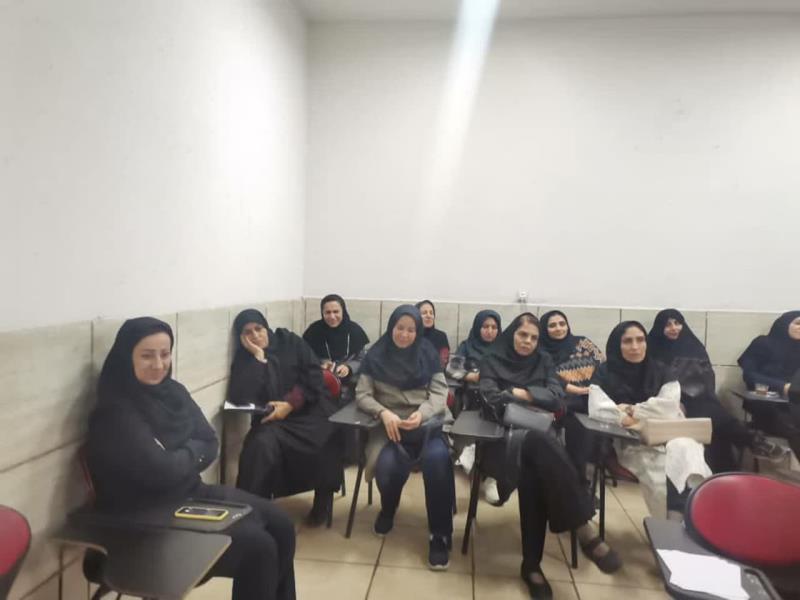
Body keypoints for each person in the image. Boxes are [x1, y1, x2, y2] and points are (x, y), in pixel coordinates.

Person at [86, 317, 296, 600]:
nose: (159, 364)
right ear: (126, 358)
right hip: (141, 516)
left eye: (165, 354)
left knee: (281, 524)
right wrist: (189, 452)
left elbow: (210, 442)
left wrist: (178, 456)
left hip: (187, 492)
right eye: (147, 355)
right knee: (259, 547)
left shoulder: (173, 392)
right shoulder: (115, 411)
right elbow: (162, 470)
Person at [479, 313, 621, 598]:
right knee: (540, 447)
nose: (528, 342)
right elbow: (491, 400)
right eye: (523, 335)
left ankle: (531, 566)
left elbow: (557, 399)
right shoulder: (491, 360)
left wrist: (521, 394)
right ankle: (582, 527)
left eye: (533, 337)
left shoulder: (544, 361)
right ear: (511, 335)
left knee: (535, 468)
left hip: (540, 443)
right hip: (501, 441)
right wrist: (535, 397)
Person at [355, 305, 454, 570]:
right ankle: (388, 508)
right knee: (386, 468)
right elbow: (363, 394)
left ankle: (440, 535)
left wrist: (422, 414)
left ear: (418, 331)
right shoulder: (375, 355)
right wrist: (383, 413)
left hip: (426, 427)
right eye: (400, 328)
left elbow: (440, 394)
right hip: (391, 429)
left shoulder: (428, 353)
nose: (405, 334)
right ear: (391, 327)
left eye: (411, 330)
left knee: (438, 462)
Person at [229, 309, 340, 527]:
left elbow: (314, 376)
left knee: (327, 436)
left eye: (259, 329)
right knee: (258, 447)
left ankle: (323, 501)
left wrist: (290, 404)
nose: (255, 335)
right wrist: (258, 360)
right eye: (247, 332)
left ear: (266, 327)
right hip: (273, 419)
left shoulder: (290, 342)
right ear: (241, 338)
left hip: (308, 409)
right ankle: (252, 511)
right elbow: (240, 397)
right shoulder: (244, 359)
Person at [589, 321, 711, 519]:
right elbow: (598, 408)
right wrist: (631, 419)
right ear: (617, 345)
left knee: (688, 456)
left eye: (640, 340)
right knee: (659, 477)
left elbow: (668, 407)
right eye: (628, 341)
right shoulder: (605, 372)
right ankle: (669, 527)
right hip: (632, 441)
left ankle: (697, 521)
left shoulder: (661, 370)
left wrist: (631, 410)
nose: (635, 346)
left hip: (669, 434)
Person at [649, 309, 784, 470]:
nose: (674, 328)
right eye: (668, 325)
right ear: (660, 328)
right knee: (713, 417)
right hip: (673, 402)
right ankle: (751, 440)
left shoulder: (694, 347)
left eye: (677, 323)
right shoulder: (652, 349)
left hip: (701, 399)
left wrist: (707, 397)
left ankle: (734, 461)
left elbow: (708, 378)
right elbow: (653, 381)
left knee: (713, 418)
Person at [539, 310, 605, 487]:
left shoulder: (583, 343)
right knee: (575, 425)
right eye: (552, 325)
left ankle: (579, 480)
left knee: (586, 427)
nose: (559, 328)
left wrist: (592, 389)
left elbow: (602, 367)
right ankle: (575, 479)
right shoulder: (540, 351)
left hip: (589, 398)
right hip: (560, 402)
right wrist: (576, 390)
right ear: (544, 329)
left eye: (562, 324)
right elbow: (545, 376)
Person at [738, 311, 800, 459]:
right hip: (763, 394)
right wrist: (782, 387)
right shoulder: (764, 343)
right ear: (785, 324)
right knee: (789, 424)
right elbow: (749, 376)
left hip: (794, 399)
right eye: (797, 323)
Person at [302, 294, 369, 384]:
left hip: (351, 381)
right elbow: (304, 357)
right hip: (320, 380)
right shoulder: (313, 331)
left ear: (343, 312)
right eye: (328, 312)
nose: (332, 317)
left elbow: (362, 359)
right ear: (322, 313)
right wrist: (320, 365)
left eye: (336, 312)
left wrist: (348, 367)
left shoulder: (354, 330)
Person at [415, 300, 450, 368]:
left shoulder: (441, 336)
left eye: (431, 313)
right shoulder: (412, 336)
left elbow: (444, 362)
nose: (429, 316)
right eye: (424, 313)